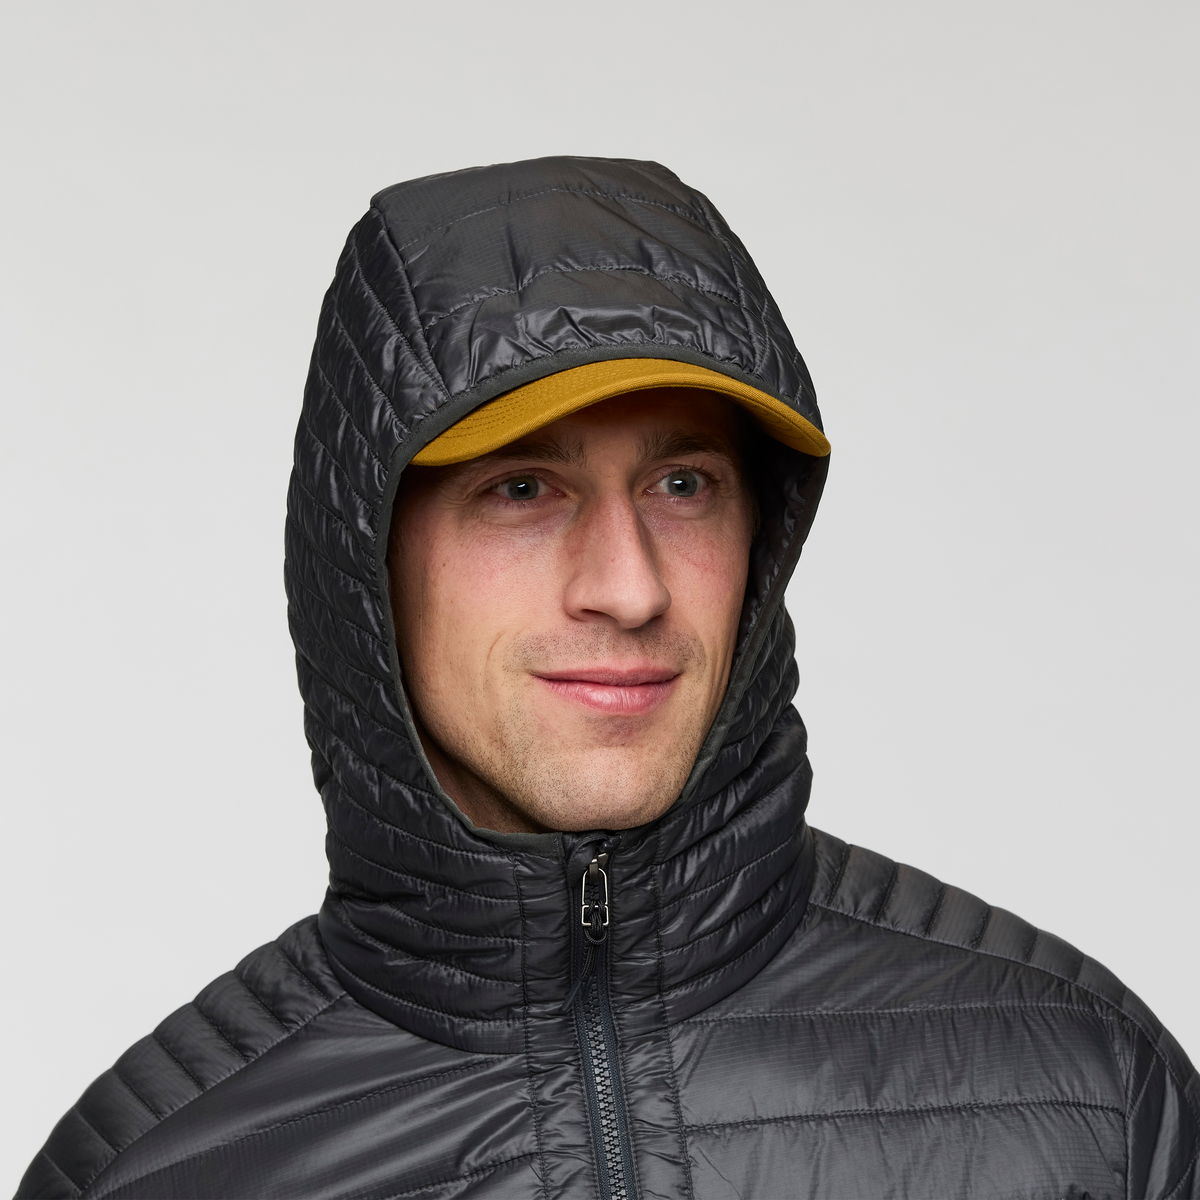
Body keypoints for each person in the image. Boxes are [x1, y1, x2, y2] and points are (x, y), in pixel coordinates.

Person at [17, 156, 1198, 1200]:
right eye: (522, 488)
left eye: (684, 486)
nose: (628, 588)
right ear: (364, 559)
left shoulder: (1089, 1092)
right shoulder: (155, 1171)